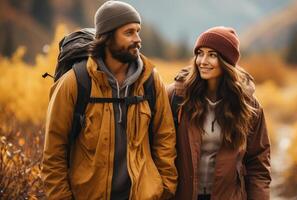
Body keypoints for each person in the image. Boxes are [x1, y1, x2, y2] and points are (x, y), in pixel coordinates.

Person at [42, 1, 177, 199]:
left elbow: (165, 137)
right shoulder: (75, 83)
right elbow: (54, 153)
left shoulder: (150, 80)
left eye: (138, 31)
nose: (138, 39)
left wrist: (165, 188)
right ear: (107, 37)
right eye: (129, 32)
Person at [167, 26, 271, 200]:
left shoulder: (248, 105)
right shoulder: (176, 97)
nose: (203, 61)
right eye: (200, 53)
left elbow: (258, 165)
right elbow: (159, 151)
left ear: (227, 61)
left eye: (212, 55)